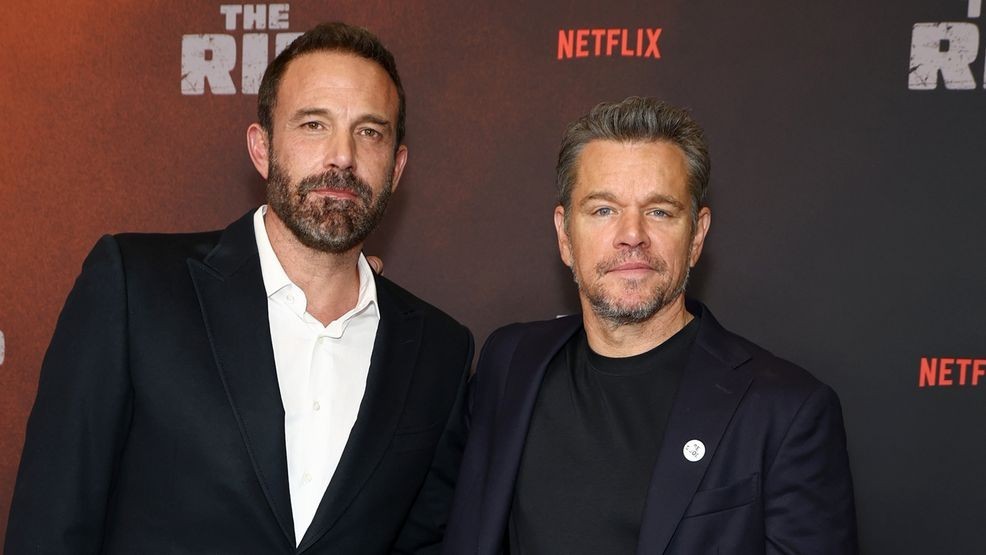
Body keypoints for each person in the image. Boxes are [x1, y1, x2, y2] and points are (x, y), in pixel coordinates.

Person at [5, 22, 472, 554]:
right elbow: (51, 525)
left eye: (369, 132)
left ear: (397, 166)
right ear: (262, 148)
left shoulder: (439, 350)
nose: (342, 155)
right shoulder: (136, 289)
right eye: (314, 124)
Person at [442, 97, 858, 554]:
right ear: (564, 235)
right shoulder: (509, 364)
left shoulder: (785, 410)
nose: (632, 235)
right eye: (603, 210)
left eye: (659, 211)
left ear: (696, 235)